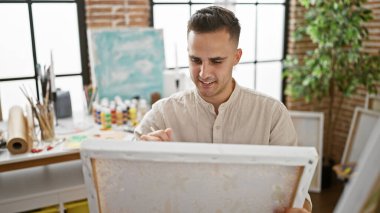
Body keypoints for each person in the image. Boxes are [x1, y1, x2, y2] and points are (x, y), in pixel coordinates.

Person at [135, 6, 311, 212]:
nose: (203, 73)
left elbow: (298, 193)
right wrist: (141, 156)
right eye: (195, 60)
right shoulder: (163, 113)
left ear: (237, 57)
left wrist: (301, 209)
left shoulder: (272, 114)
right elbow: (120, 175)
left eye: (216, 61)